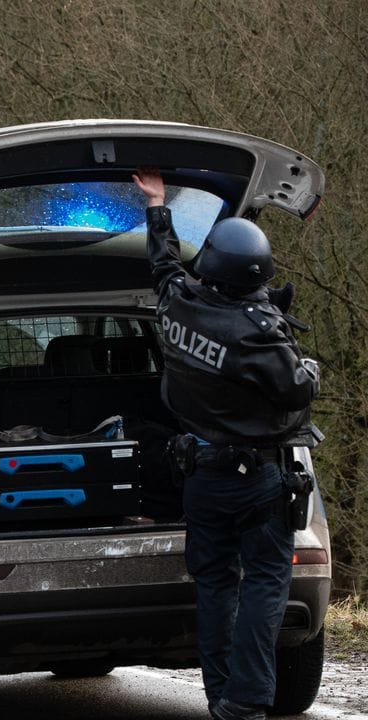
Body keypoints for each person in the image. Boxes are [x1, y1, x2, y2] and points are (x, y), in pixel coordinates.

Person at [133, 168, 320, 720]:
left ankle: (220, 696)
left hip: (200, 476)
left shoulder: (175, 302)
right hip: (256, 479)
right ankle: (246, 699)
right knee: (265, 583)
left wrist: (158, 206)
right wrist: (307, 365)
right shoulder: (258, 332)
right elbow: (296, 387)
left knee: (214, 586)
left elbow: (163, 264)